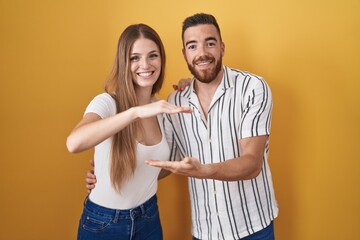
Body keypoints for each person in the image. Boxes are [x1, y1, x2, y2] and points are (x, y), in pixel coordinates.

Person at [88, 13, 278, 240]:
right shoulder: (175, 102)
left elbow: (252, 163)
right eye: (192, 46)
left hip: (253, 226)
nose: (202, 53)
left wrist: (204, 171)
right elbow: (166, 164)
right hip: (205, 231)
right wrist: (106, 175)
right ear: (184, 54)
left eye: (210, 43)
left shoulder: (252, 88)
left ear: (222, 47)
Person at [66, 23, 191, 240]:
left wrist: (192, 88)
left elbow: (159, 169)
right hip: (103, 224)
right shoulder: (107, 103)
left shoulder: (162, 109)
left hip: (149, 218)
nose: (145, 64)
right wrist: (136, 112)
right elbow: (74, 143)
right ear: (124, 62)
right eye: (134, 58)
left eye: (153, 55)